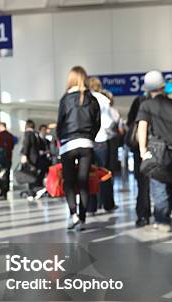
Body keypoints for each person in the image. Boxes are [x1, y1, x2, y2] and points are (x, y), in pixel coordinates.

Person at [137, 70, 172, 232]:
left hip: (156, 152)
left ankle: (163, 221)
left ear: (148, 89)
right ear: (163, 86)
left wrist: (143, 150)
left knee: (159, 187)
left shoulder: (145, 105)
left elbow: (143, 128)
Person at [56, 66, 101, 230]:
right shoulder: (92, 99)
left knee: (69, 182)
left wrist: (59, 138)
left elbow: (60, 123)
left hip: (68, 144)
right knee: (83, 182)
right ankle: (82, 220)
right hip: (86, 144)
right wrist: (90, 137)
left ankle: (73, 214)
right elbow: (97, 123)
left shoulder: (65, 99)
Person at [87, 77, 118, 213]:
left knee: (89, 174)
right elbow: (109, 122)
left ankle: (91, 205)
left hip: (86, 141)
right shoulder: (103, 99)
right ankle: (107, 203)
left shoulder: (84, 98)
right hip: (101, 140)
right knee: (103, 173)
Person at [127, 93, 151, 227]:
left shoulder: (139, 101)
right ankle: (165, 212)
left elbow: (130, 121)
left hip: (139, 150)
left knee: (142, 184)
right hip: (158, 146)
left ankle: (143, 214)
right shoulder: (160, 103)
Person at [21, 119, 50, 200]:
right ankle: (36, 190)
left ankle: (33, 192)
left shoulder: (28, 133)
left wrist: (24, 155)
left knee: (29, 176)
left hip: (30, 158)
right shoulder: (35, 134)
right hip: (36, 158)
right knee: (33, 175)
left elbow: (27, 144)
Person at [0, 122, 15, 199]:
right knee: (7, 174)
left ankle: (0, 187)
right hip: (8, 157)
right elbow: (12, 146)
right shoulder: (10, 135)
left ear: (0, 127)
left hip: (0, 158)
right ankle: (5, 191)